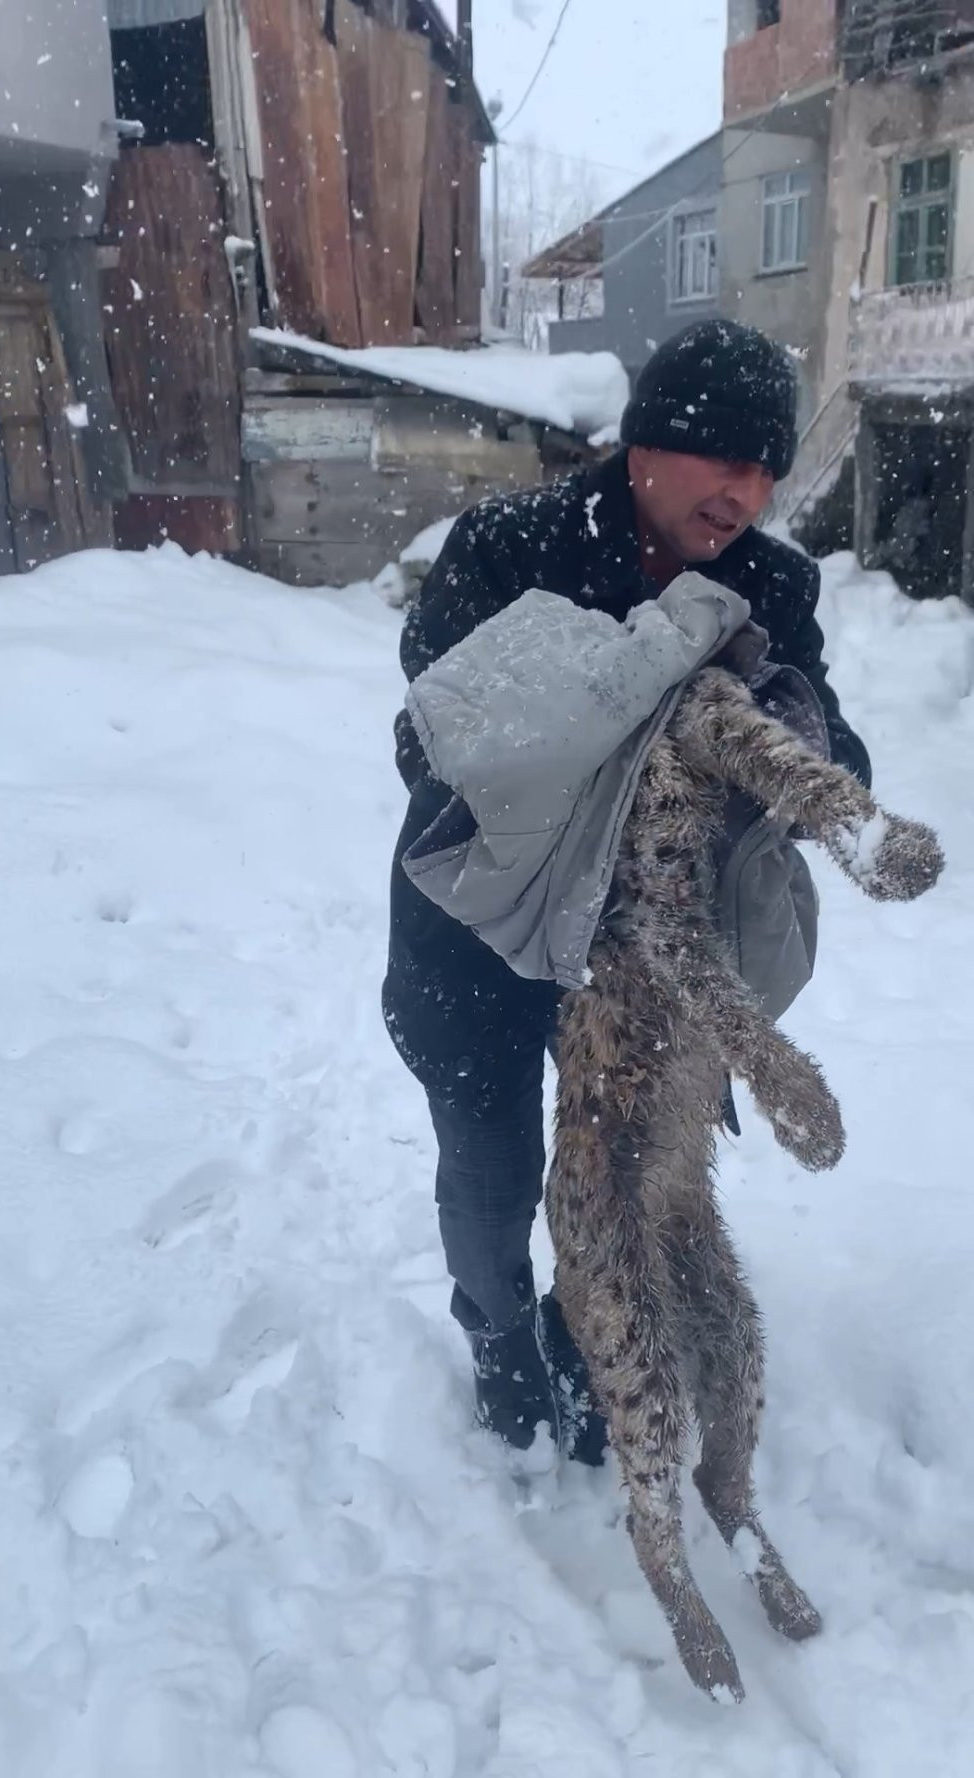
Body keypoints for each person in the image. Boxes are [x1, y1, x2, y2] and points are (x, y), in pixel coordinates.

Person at [382, 319, 870, 1461]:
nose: (746, 493)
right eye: (724, 458)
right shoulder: (507, 547)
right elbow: (434, 739)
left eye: (767, 469)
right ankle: (500, 1334)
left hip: (643, 957)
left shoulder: (768, 582)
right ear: (647, 443)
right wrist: (621, 725)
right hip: (479, 935)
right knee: (490, 1161)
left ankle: (589, 1335)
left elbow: (831, 755)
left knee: (626, 1178)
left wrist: (790, 741)